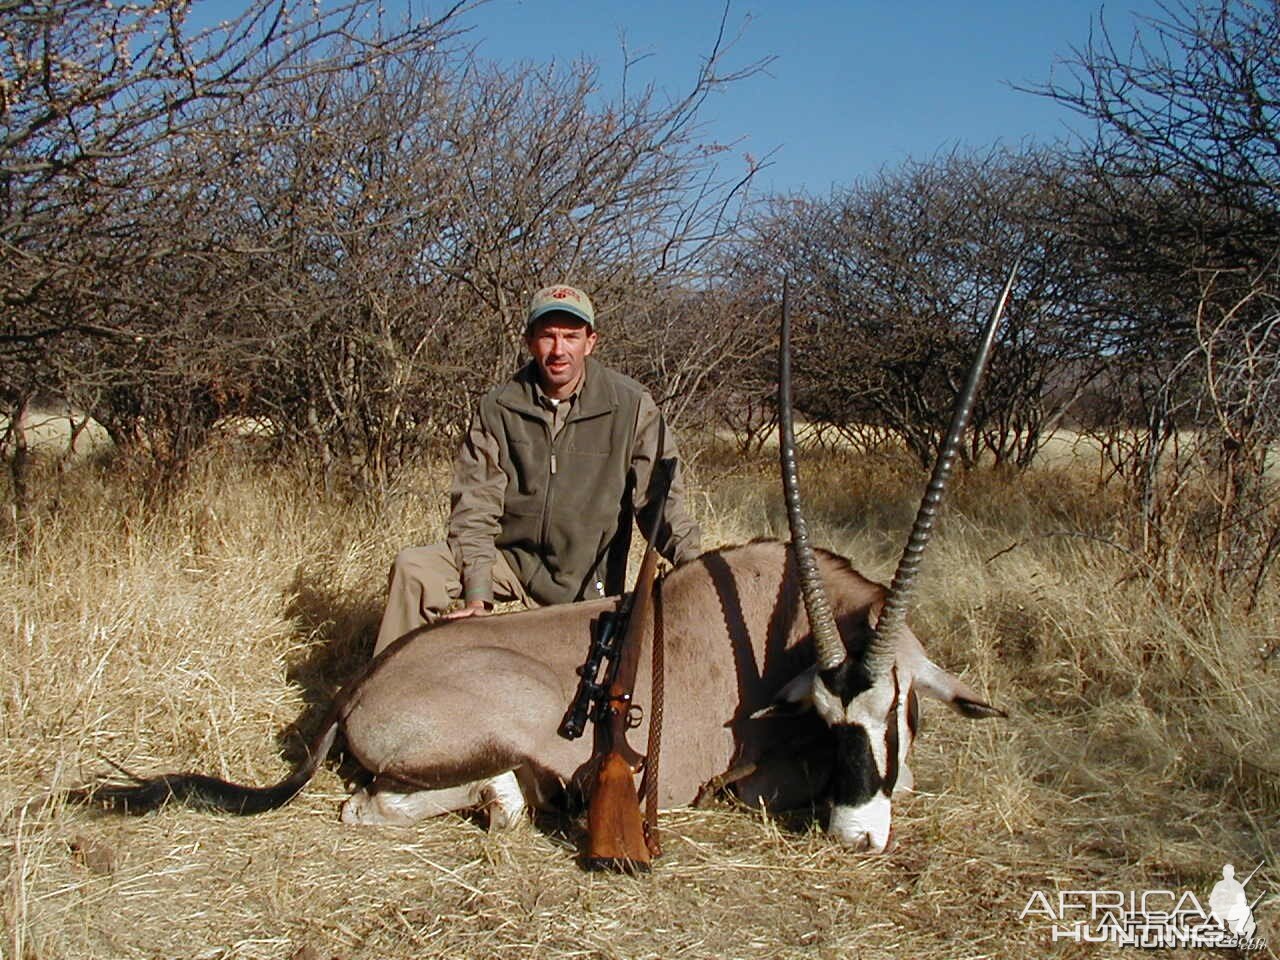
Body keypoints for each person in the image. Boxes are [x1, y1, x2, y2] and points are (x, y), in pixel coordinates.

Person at [374, 284, 702, 655]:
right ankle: (385, 690)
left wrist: (696, 565)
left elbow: (661, 504)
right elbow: (475, 507)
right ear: (530, 341)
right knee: (413, 570)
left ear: (590, 342)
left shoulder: (631, 405)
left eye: (570, 337)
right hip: (511, 562)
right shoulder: (498, 406)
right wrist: (478, 593)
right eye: (547, 336)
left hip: (584, 581)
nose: (559, 350)